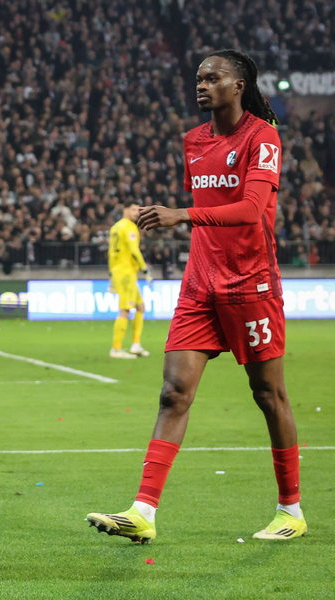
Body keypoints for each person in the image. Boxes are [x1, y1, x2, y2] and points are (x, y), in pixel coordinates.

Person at [87, 49, 305, 543]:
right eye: (199, 78)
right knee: (172, 393)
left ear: (239, 85)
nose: (202, 85)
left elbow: (250, 210)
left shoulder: (262, 137)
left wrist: (181, 214)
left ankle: (290, 509)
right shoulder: (193, 141)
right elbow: (208, 209)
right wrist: (174, 219)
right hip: (200, 285)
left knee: (269, 395)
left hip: (251, 285)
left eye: (213, 78)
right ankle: (143, 512)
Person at [108, 200, 152, 358]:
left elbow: (112, 253)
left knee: (140, 307)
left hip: (119, 271)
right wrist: (145, 269)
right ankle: (116, 349)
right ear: (125, 209)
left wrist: (111, 275)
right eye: (133, 209)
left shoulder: (115, 227)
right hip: (126, 273)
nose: (136, 213)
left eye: (137, 211)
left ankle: (136, 344)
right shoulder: (129, 227)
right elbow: (134, 250)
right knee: (125, 310)